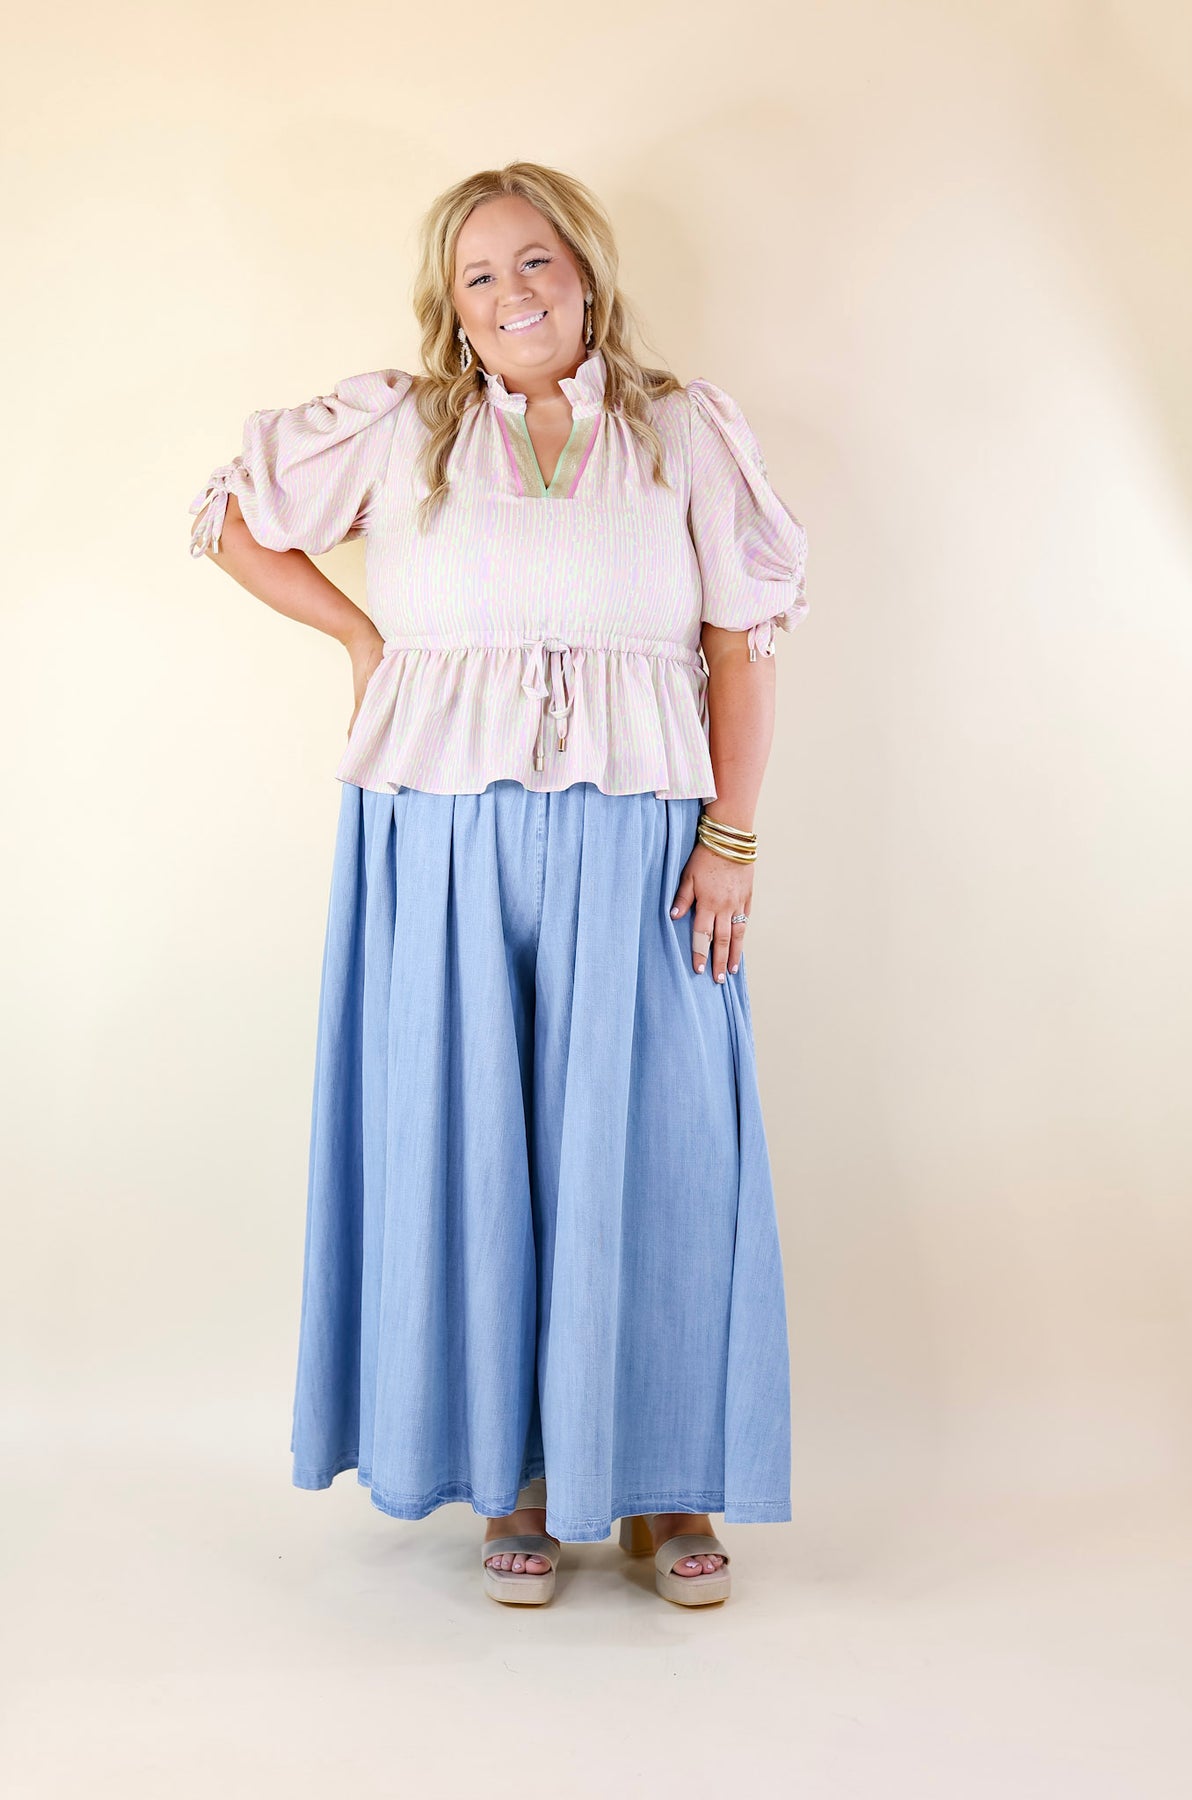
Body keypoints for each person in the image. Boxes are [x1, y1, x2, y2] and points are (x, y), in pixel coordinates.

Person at [187, 160, 809, 1609]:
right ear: (450, 304)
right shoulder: (404, 428)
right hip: (439, 838)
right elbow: (228, 517)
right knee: (470, 1146)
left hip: (642, 839)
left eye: (535, 261)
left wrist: (732, 836)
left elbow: (741, 641)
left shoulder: (679, 430)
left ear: (585, 272)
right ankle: (512, 1474)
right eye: (479, 274)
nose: (512, 293)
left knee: (660, 1144)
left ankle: (664, 1483)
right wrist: (363, 641)